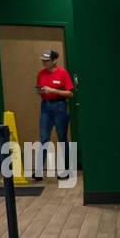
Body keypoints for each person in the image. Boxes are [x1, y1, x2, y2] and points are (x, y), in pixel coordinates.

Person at [35, 49, 73, 178]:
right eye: (43, 61)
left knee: (62, 138)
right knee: (44, 138)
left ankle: (65, 170)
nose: (44, 63)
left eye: (47, 61)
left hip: (60, 106)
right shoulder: (41, 74)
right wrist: (41, 91)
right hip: (45, 106)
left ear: (54, 61)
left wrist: (53, 90)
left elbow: (70, 93)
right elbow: (39, 88)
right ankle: (39, 171)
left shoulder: (63, 73)